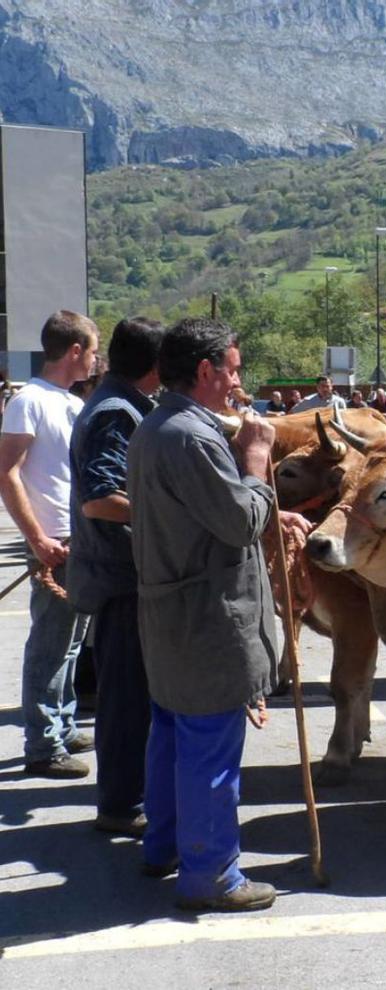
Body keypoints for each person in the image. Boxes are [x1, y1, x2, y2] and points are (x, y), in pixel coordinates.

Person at [128, 317, 310, 912]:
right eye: (232, 369)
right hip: (207, 620)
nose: (238, 381)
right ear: (205, 371)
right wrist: (256, 460)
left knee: (173, 736)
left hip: (170, 611)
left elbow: (204, 514)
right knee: (209, 748)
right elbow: (237, 523)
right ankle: (211, 875)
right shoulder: (191, 437)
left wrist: (244, 482)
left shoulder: (161, 427)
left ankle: (164, 846)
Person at [67, 317, 165, 834]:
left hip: (119, 575)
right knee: (127, 699)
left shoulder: (118, 405)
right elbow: (101, 501)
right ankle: (122, 805)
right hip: (120, 579)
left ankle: (126, 797)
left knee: (129, 696)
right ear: (156, 365)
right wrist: (171, 511)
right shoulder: (115, 413)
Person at [0, 311, 99, 777]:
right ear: (74, 350)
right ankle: (43, 743)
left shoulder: (68, 402)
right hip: (53, 541)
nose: (97, 360)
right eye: (93, 350)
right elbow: (7, 473)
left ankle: (60, 720)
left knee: (73, 642)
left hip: (75, 539)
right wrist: (37, 538)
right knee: (50, 644)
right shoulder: (29, 401)